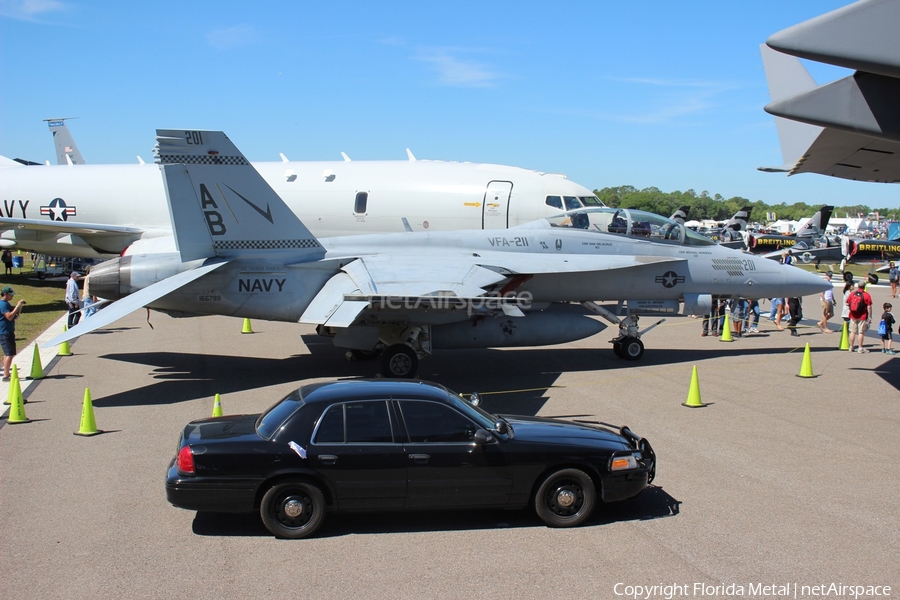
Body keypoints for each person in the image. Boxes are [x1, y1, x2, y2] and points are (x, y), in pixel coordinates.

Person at [0, 285, 25, 381]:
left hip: (8, 331)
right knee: (9, 354)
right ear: (5, 294)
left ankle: (7, 372)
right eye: (11, 295)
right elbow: (9, 317)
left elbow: (16, 316)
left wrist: (20, 307)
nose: (12, 296)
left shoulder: (6, 304)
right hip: (5, 332)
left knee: (8, 353)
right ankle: (6, 375)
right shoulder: (3, 304)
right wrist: (17, 306)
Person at [847, 281, 873, 353]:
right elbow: (869, 307)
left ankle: (851, 347)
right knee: (861, 332)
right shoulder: (866, 295)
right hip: (862, 316)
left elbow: (848, 302)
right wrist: (870, 316)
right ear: (864, 287)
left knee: (852, 331)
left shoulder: (852, 294)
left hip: (853, 315)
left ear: (858, 286)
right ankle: (860, 348)